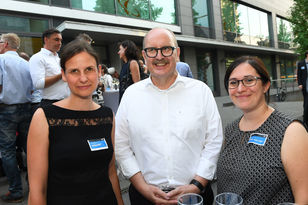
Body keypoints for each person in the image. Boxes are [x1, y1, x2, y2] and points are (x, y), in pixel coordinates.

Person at [115, 27, 223, 205]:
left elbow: (214, 141)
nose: (159, 56)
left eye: (166, 48)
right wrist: (142, 188)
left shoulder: (200, 91)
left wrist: (197, 185)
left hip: (195, 197)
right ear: (144, 55)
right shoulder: (131, 95)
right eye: (152, 50)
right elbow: (121, 146)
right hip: (145, 197)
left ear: (177, 52)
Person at [27, 40, 124, 205]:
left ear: (99, 71)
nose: (83, 78)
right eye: (74, 71)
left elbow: (111, 173)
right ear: (63, 75)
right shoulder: (44, 117)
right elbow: (37, 190)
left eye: (89, 69)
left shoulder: (108, 116)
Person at [217, 56, 308, 204]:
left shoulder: (291, 131)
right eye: (233, 83)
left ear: (265, 85)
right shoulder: (230, 129)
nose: (240, 88)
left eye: (249, 80)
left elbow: (304, 199)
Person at [0, 33, 32, 203]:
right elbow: (33, 88)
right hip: (26, 108)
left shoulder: (1, 60)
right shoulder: (25, 63)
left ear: (5, 44)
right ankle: (34, 185)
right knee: (30, 150)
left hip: (6, 110)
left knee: (8, 151)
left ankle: (15, 191)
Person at [29, 28, 70, 107]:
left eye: (60, 40)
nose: (60, 43)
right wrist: (62, 74)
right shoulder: (37, 58)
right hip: (51, 104)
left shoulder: (58, 59)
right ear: (46, 40)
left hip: (66, 101)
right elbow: (38, 84)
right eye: (56, 40)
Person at [297, 50, 308, 125]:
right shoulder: (301, 63)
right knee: (306, 102)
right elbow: (299, 75)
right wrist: (300, 84)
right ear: (307, 55)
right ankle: (305, 120)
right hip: (305, 86)